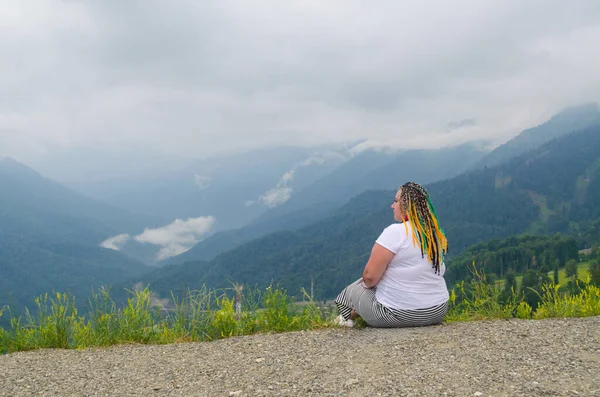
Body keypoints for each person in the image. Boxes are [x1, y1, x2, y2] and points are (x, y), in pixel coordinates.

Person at [334, 181, 449, 328]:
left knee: (354, 289)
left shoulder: (396, 232)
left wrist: (371, 285)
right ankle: (355, 313)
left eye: (395, 201)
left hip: (397, 314)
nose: (392, 206)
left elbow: (369, 277)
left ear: (406, 206)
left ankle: (346, 319)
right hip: (437, 311)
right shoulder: (434, 233)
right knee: (382, 280)